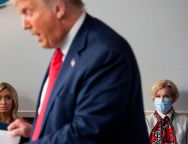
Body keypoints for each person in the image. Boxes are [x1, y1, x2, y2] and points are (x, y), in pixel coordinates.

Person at [8, 0, 149, 143]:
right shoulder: (67, 52)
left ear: (58, 8)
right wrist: (34, 133)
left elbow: (86, 135)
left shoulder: (106, 54)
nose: (24, 25)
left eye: (28, 12)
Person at [146, 79, 188, 144]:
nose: (161, 100)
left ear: (173, 98)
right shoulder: (145, 122)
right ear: (154, 98)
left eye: (166, 96)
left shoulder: (186, 122)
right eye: (158, 96)